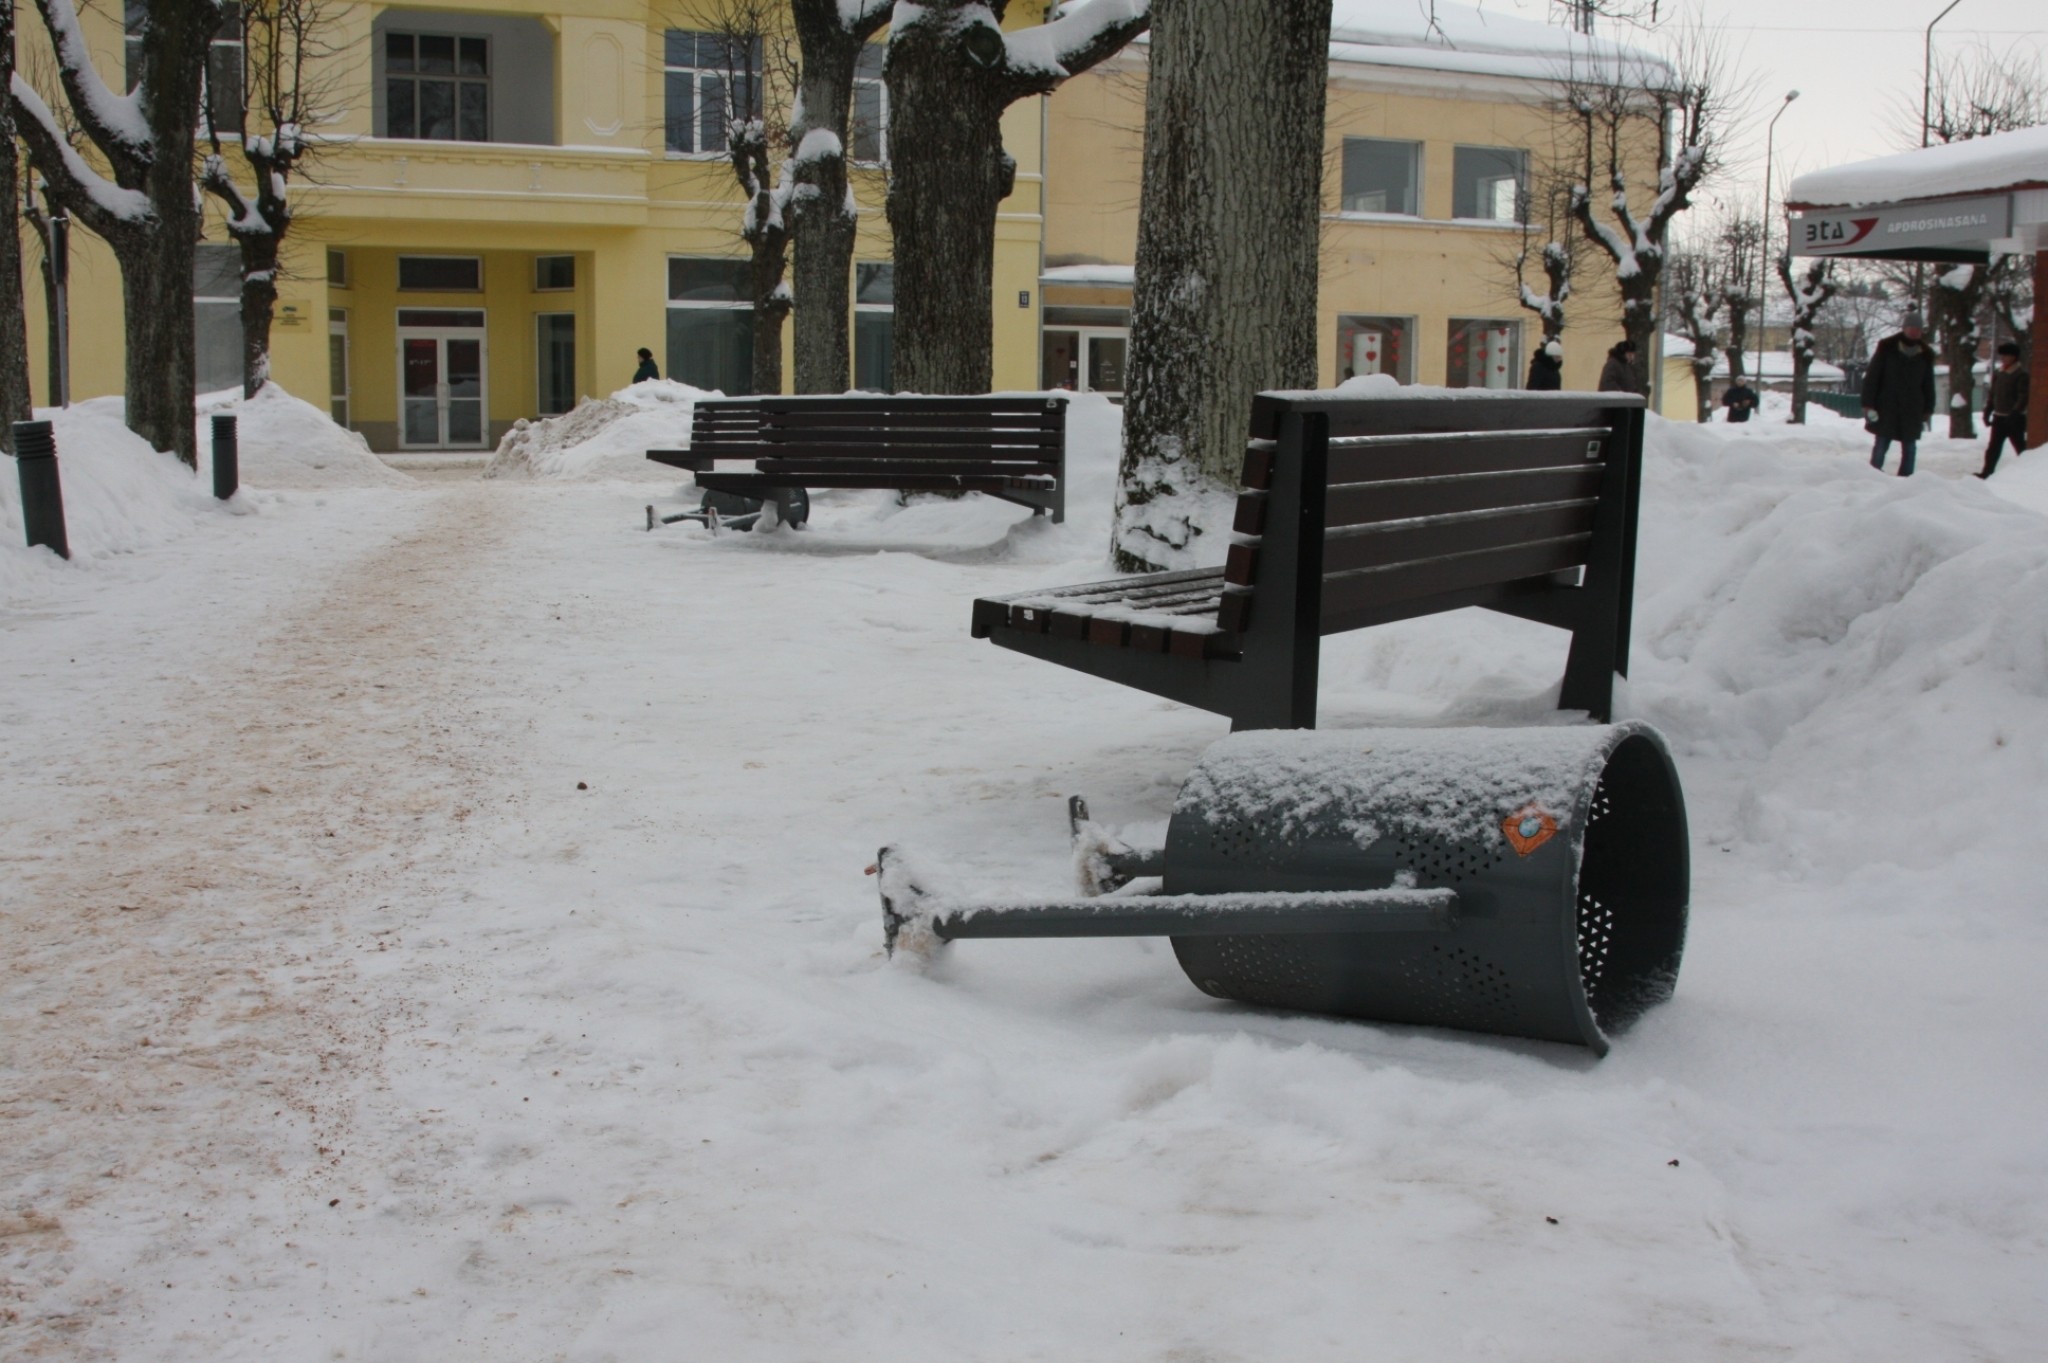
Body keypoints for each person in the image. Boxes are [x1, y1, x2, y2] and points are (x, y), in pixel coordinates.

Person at [1861, 308, 1936, 477]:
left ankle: (1906, 479)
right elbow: (1873, 377)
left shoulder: (1925, 354)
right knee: (1882, 443)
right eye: (1912, 328)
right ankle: (1873, 475)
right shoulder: (1887, 348)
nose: (1915, 332)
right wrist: (1868, 403)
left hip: (1912, 408)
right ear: (1904, 328)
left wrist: (1928, 408)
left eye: (1918, 329)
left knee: (1910, 447)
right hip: (1887, 405)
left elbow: (1928, 384)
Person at [1977, 341, 2030, 478]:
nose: (2003, 358)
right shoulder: (1998, 373)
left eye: (2006, 355)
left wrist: (2015, 412)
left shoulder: (2021, 374)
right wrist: (1988, 411)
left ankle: (2030, 473)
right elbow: (1993, 394)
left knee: (2020, 448)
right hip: (1999, 417)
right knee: (1993, 448)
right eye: (2002, 355)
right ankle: (1987, 472)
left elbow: (2023, 396)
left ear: (2014, 357)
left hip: (2015, 419)